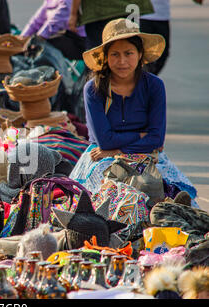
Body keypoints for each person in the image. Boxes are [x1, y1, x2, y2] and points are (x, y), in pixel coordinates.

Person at [69, 18, 198, 206]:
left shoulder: (154, 86)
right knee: (95, 202)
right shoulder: (93, 89)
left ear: (140, 55)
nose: (122, 61)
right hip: (101, 159)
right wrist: (139, 136)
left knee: (175, 198)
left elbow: (156, 139)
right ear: (105, 57)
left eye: (128, 53)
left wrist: (116, 150)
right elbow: (104, 140)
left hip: (143, 157)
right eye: (115, 54)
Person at [68, 0, 155, 50]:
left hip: (100, 11)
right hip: (126, 7)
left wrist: (73, 14)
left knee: (127, 48)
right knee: (127, 49)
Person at [21, 0, 86, 61]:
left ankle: (58, 72)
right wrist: (22, 38)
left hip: (79, 41)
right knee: (29, 44)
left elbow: (57, 20)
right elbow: (36, 21)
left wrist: (40, 37)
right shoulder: (49, 1)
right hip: (61, 36)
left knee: (43, 44)